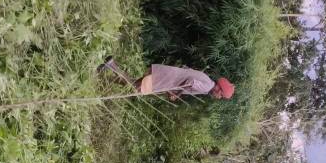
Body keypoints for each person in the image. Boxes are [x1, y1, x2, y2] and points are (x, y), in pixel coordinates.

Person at [98, 58, 235, 102]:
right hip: (165, 79)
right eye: (221, 95)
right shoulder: (206, 87)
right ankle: (111, 65)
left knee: (135, 84)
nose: (218, 97)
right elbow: (190, 82)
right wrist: (176, 93)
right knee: (136, 88)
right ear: (219, 89)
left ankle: (105, 76)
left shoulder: (207, 79)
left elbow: (187, 69)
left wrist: (175, 91)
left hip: (167, 74)